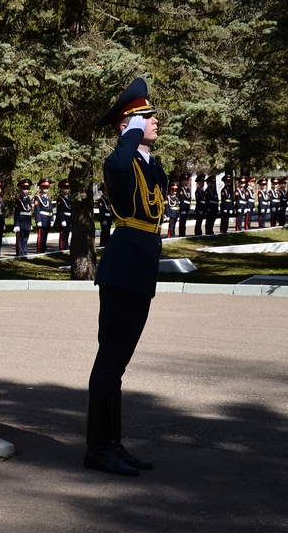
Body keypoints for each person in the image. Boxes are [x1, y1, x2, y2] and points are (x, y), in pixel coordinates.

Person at [85, 77, 165, 478]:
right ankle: (98, 449)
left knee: (118, 364)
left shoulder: (150, 162)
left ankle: (112, 444)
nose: (154, 122)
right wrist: (129, 135)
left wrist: (140, 142)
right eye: (146, 117)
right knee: (109, 362)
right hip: (122, 270)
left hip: (140, 270)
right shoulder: (120, 161)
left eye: (150, 116)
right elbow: (115, 164)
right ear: (127, 126)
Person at [13, 179, 33, 256]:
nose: (26, 191)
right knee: (20, 239)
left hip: (27, 222)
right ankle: (20, 253)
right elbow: (17, 213)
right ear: (20, 189)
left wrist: (30, 223)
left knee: (25, 238)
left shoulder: (28, 200)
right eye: (24, 189)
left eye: (27, 189)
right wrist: (16, 224)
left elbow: (29, 213)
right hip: (20, 222)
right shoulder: (18, 200)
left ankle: (24, 252)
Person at [33, 178, 53, 253]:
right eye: (44, 187)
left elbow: (50, 209)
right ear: (40, 187)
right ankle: (39, 249)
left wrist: (51, 219)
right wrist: (38, 220)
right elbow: (37, 210)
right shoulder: (38, 197)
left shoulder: (49, 197)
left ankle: (43, 247)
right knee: (41, 235)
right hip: (41, 218)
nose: (45, 189)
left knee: (45, 235)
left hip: (47, 218)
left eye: (47, 188)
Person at [55, 179, 72, 250]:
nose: (66, 190)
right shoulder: (60, 198)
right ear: (61, 189)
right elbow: (60, 210)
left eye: (67, 188)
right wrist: (62, 220)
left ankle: (65, 246)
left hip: (69, 218)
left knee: (67, 233)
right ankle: (62, 247)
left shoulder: (69, 198)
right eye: (64, 188)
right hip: (64, 218)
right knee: (63, 234)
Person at [177, 172, 192, 236]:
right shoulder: (181, 189)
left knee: (184, 222)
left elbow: (188, 199)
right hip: (183, 208)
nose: (186, 182)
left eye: (187, 180)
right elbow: (182, 200)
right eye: (185, 180)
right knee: (182, 222)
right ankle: (181, 234)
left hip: (186, 208)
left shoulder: (187, 189)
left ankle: (183, 233)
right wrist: (182, 208)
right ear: (182, 181)